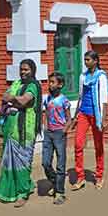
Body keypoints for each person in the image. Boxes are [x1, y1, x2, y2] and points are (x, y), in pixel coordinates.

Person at [0, 59, 42, 208]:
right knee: (9, 160)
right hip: (11, 128)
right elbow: (4, 97)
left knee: (23, 161)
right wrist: (13, 100)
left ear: (32, 70)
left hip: (25, 130)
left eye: (26, 70)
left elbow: (24, 100)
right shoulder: (16, 83)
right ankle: (13, 190)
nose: (23, 72)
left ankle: (23, 193)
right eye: (21, 69)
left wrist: (13, 100)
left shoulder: (33, 86)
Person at [71, 50, 108, 192]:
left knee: (98, 146)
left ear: (95, 61)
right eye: (85, 60)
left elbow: (104, 99)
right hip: (84, 114)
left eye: (88, 59)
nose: (86, 62)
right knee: (78, 144)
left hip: (96, 115)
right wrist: (75, 116)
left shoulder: (101, 76)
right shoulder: (82, 76)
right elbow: (80, 96)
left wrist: (103, 120)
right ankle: (80, 177)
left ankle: (99, 175)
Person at [42, 72, 71, 205]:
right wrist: (45, 128)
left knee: (60, 164)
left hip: (60, 134)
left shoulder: (64, 100)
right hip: (48, 134)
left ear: (60, 84)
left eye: (53, 82)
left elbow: (69, 118)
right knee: (45, 162)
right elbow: (46, 114)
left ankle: (60, 192)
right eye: (49, 82)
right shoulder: (47, 99)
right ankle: (55, 182)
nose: (50, 84)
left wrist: (64, 130)